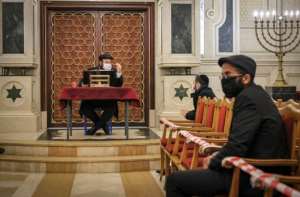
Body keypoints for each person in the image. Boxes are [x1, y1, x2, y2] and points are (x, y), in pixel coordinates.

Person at [166, 55, 289, 197]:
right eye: (222, 75)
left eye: (228, 74)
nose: (224, 79)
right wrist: (218, 156)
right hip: (248, 168)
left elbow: (238, 146)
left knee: (174, 181)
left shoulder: (248, 99)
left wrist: (214, 161)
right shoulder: (254, 94)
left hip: (255, 176)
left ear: (245, 78)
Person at [79, 52, 123, 135]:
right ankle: (103, 125)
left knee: (112, 107)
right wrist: (82, 84)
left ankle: (94, 128)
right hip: (93, 99)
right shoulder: (93, 70)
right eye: (106, 62)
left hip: (108, 100)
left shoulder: (114, 71)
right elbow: (82, 81)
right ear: (101, 62)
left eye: (110, 62)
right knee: (84, 107)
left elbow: (119, 84)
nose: (108, 63)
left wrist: (119, 72)